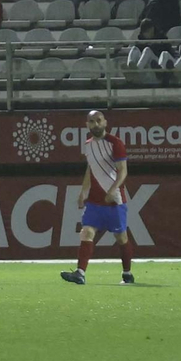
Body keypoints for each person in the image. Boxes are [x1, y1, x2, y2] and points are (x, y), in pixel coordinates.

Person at [60, 111, 134, 286]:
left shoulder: (115, 143)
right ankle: (80, 273)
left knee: (121, 237)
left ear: (105, 122)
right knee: (86, 232)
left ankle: (127, 273)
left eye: (99, 121)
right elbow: (90, 169)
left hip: (114, 200)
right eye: (92, 122)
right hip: (94, 200)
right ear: (87, 125)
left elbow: (123, 171)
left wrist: (112, 190)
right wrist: (83, 191)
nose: (96, 124)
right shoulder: (88, 145)